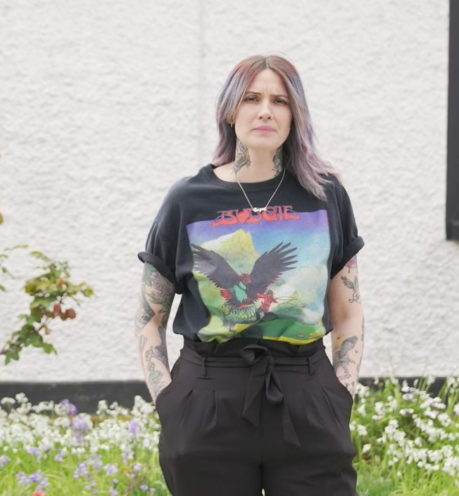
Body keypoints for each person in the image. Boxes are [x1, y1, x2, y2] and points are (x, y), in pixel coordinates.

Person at [135, 54, 365, 496]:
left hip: (307, 394)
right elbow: (149, 317)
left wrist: (341, 395)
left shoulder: (325, 197)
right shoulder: (188, 200)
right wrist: (169, 402)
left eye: (280, 100)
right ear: (229, 110)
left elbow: (348, 313)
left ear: (295, 115)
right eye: (252, 98)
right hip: (207, 400)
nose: (265, 110)